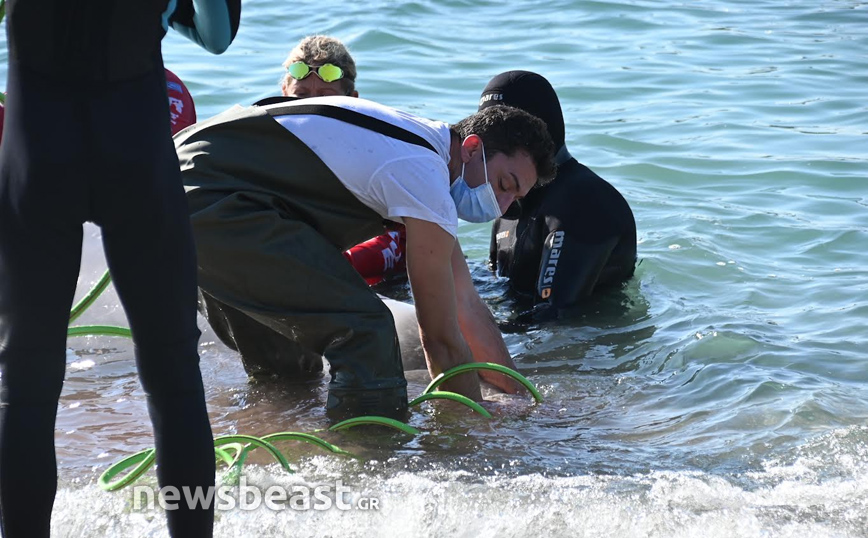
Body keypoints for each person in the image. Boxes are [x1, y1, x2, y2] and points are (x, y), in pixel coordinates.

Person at [0, 1, 240, 537]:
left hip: (37, 157)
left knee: (26, 386)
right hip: (137, 157)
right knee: (175, 379)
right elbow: (217, 35)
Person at [175, 96, 556, 419]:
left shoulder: (421, 150)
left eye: (514, 199)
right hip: (212, 199)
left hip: (179, 186)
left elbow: (466, 305)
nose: (501, 205)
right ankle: (371, 458)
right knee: (367, 332)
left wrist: (520, 398)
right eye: (504, 184)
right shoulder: (424, 174)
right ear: (471, 149)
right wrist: (470, 426)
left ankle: (277, 440)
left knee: (288, 363)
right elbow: (439, 337)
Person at [482, 71, 637, 311]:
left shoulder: (587, 202)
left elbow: (556, 318)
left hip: (591, 333)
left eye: (500, 137)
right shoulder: (509, 200)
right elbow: (493, 289)